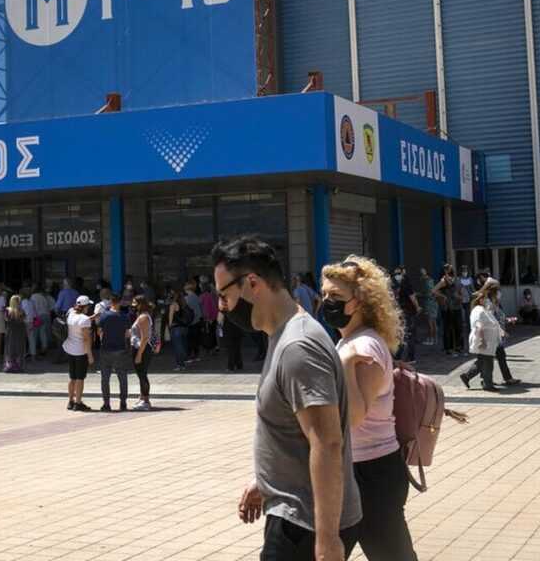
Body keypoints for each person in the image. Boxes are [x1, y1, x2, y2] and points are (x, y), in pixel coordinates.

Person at [212, 236, 361, 560]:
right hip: (294, 512)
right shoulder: (283, 335)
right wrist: (267, 480)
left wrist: (327, 539)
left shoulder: (298, 347)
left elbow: (327, 442)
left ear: (252, 283)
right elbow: (294, 431)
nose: (222, 306)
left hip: (304, 524)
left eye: (224, 295)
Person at [321, 257, 418, 561]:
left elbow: (354, 416)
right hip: (359, 468)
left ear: (360, 301)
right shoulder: (350, 342)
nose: (327, 302)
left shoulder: (362, 347)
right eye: (324, 294)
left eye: (336, 295)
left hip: (372, 473)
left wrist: (346, 366)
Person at [461, 281, 502, 392]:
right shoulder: (479, 311)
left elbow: (492, 322)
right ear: (480, 300)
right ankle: (487, 384)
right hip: (484, 340)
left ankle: (467, 376)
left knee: (482, 362)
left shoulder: (481, 309)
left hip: (487, 340)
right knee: (488, 363)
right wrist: (483, 340)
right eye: (484, 299)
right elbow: (479, 326)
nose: (486, 300)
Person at [97, 293, 130, 411]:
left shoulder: (104, 316)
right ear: (120, 302)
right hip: (120, 349)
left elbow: (99, 332)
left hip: (106, 349)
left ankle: (106, 404)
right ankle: (123, 403)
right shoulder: (125, 316)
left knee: (105, 378)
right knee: (122, 377)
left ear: (111, 302)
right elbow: (127, 334)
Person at [63, 295, 96, 411]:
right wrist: (90, 355)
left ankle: (70, 401)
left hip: (70, 348)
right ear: (86, 306)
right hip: (80, 351)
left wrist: (92, 317)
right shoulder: (84, 319)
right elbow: (86, 339)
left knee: (72, 377)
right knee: (80, 378)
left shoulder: (70, 313)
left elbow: (79, 321)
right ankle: (78, 403)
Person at [432, 265, 464, 356]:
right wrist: (443, 296)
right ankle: (449, 348)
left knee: (458, 327)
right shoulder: (443, 280)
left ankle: (459, 347)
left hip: (457, 306)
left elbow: (461, 293)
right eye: (446, 269)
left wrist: (459, 297)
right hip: (447, 308)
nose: (449, 270)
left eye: (449, 268)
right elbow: (433, 290)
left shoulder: (457, 280)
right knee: (448, 328)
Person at [393, 267, 420, 363]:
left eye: (399, 273)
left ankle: (408, 357)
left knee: (407, 334)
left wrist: (417, 307)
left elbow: (412, 297)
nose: (397, 276)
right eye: (395, 274)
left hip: (408, 312)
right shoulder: (398, 285)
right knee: (403, 334)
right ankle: (400, 356)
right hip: (403, 312)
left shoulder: (406, 284)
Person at [167, 289, 192, 371]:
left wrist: (169, 327)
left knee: (177, 347)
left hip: (176, 328)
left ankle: (180, 364)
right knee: (183, 345)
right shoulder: (184, 304)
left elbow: (170, 318)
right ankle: (184, 360)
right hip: (184, 328)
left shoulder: (173, 305)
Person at [3, 294, 27, 373]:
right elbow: (24, 319)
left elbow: (6, 319)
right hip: (20, 331)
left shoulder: (7, 310)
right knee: (20, 347)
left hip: (10, 331)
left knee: (10, 347)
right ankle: (19, 366)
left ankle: (10, 366)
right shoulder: (21, 311)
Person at [418, 267, 438, 346]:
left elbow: (427, 293)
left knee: (430, 323)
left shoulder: (426, 282)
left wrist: (418, 294)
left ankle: (431, 339)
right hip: (433, 303)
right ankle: (435, 339)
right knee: (433, 322)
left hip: (429, 303)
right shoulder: (431, 280)